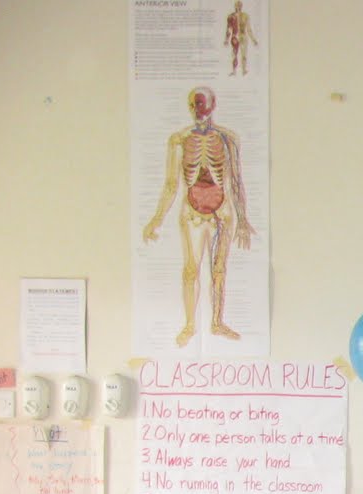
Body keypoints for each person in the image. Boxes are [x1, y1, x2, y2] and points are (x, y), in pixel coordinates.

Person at [141, 86, 255, 348]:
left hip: (221, 212)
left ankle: (217, 322)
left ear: (212, 105)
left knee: (219, 270)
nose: (196, 110)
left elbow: (236, 181)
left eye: (201, 104)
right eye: (192, 105)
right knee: (190, 269)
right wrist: (157, 219)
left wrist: (242, 219)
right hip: (191, 212)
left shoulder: (228, 139)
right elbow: (171, 184)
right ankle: (190, 325)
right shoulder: (178, 140)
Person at [224, 1, 259, 74]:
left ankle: (244, 70)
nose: (238, 7)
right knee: (234, 54)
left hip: (243, 37)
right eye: (237, 5)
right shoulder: (231, 16)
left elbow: (249, 29)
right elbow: (229, 29)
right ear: (235, 6)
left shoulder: (245, 16)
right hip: (235, 37)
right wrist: (226, 40)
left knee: (244, 55)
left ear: (241, 6)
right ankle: (234, 71)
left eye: (240, 5)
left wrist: (253, 40)